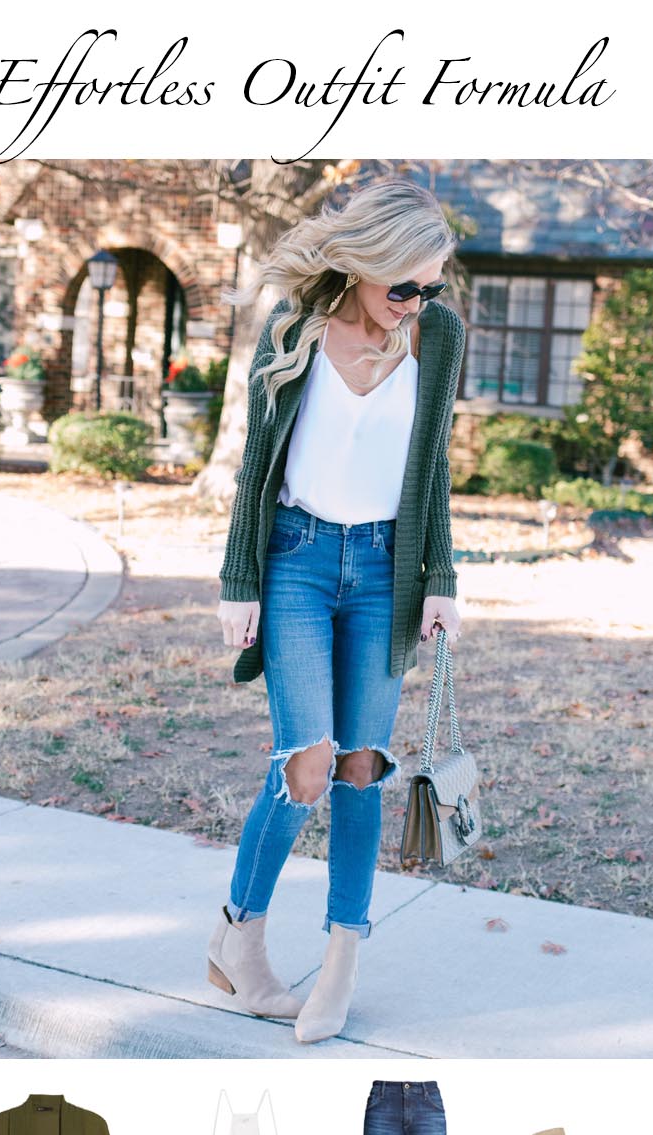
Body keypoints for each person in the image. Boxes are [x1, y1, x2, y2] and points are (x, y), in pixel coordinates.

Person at [210, 176, 465, 1044]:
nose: (415, 301)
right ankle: (238, 934)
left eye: (429, 286)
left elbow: (432, 470)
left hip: (387, 571)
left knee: (363, 769)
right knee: (307, 762)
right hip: (297, 561)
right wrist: (237, 583)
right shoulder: (295, 332)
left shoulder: (437, 337)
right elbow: (255, 468)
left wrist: (444, 574)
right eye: (403, 285)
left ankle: (341, 962)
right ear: (365, 267)